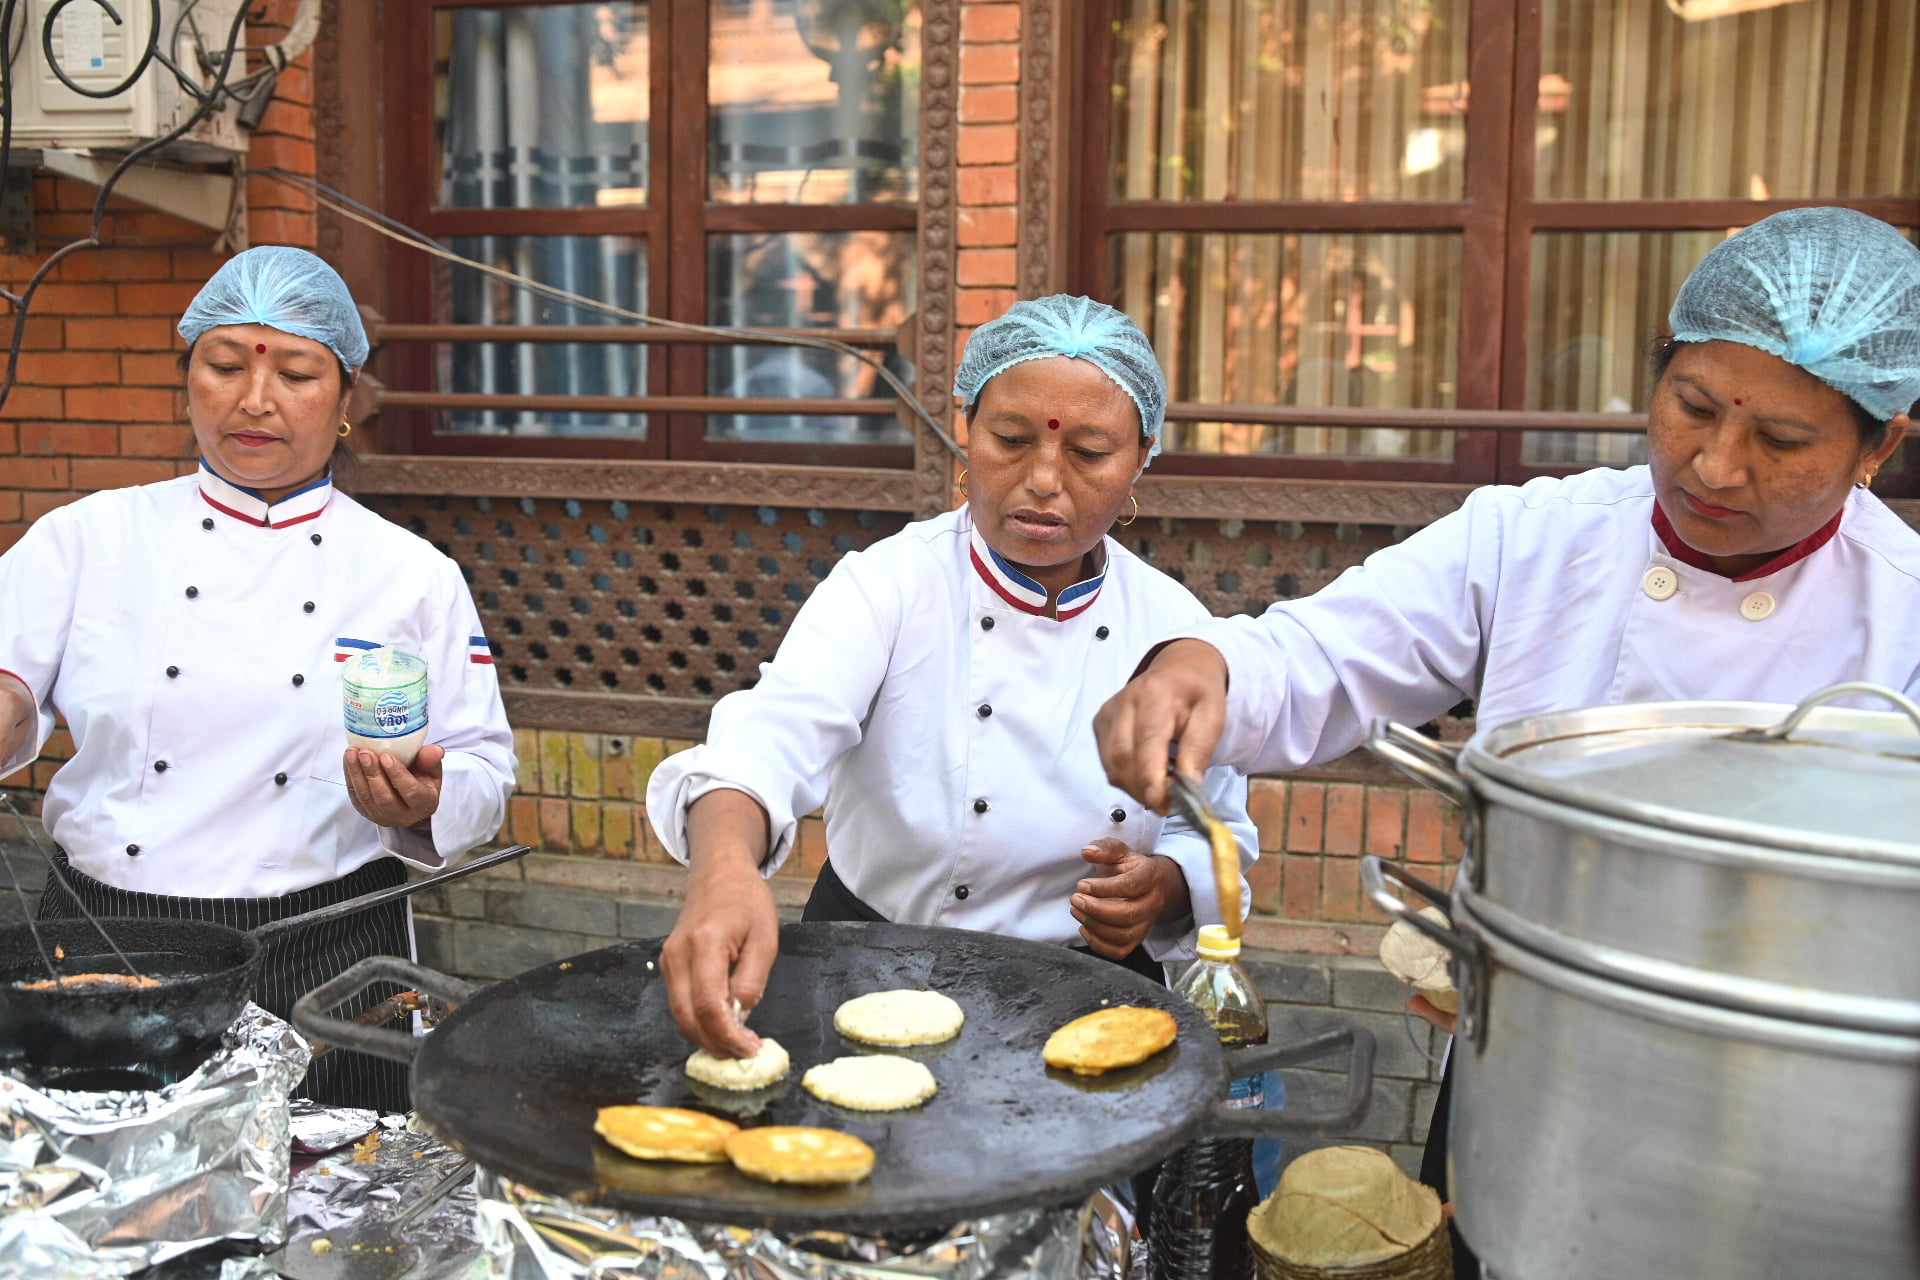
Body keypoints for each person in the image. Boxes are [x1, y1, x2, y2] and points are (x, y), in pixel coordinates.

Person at [1091, 205, 1920, 1278]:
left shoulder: (1901, 611)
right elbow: (1324, 655)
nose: (1715, 464)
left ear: (1882, 444)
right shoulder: (1536, 536)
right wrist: (1198, 668)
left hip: (1795, 1123)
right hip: (1527, 1066)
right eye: (1693, 406)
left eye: (1782, 439)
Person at [648, 294, 1257, 1060]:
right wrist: (724, 869)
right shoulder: (890, 586)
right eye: (1009, 438)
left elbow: (1220, 830)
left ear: (1142, 458)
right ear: (965, 430)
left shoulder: (1176, 630)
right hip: (869, 968)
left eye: (1089, 452)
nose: (1043, 478)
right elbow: (769, 739)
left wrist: (1165, 885)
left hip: (1084, 1000)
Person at [0, 246, 517, 1110]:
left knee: (341, 1198)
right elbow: (12, 694)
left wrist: (424, 802)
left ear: (347, 398)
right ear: (188, 377)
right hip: (111, 936)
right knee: (104, 1201)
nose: (254, 401)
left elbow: (484, 770)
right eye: (225, 364)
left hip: (328, 942)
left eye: (298, 373)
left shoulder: (410, 573)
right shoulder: (85, 538)